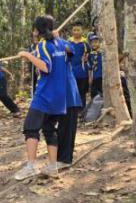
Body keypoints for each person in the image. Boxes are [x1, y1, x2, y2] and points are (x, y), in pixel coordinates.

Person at [14, 15, 67, 180]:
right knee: (49, 128)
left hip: (45, 95)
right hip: (59, 96)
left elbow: (46, 67)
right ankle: (52, 166)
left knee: (30, 128)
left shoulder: (43, 44)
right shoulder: (60, 43)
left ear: (37, 30)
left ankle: (31, 166)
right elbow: (69, 51)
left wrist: (27, 55)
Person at [57, 32, 85, 168]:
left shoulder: (64, 45)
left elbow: (70, 49)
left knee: (67, 128)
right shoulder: (44, 47)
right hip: (56, 97)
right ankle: (58, 157)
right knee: (56, 128)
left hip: (69, 95)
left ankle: (65, 159)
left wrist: (58, 39)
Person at [66, 22, 90, 112]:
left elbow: (89, 56)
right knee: (71, 92)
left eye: (78, 30)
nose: (76, 32)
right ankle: (72, 111)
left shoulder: (85, 43)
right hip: (71, 71)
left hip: (82, 72)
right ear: (72, 31)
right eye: (74, 30)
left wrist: (87, 59)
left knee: (82, 92)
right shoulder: (68, 42)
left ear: (82, 31)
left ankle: (82, 111)